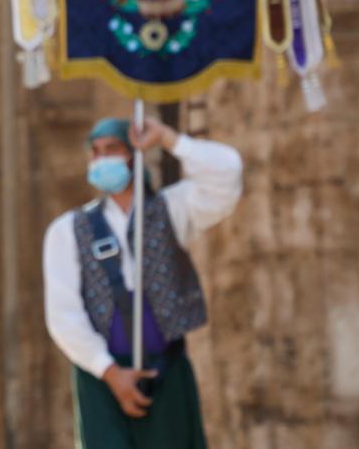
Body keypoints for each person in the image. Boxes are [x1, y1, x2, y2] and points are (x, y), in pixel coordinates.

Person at [43, 116, 243, 448]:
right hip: (101, 380)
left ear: (133, 154)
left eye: (112, 148)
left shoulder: (173, 209)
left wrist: (168, 139)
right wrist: (109, 372)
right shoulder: (66, 231)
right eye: (95, 151)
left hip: (167, 373)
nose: (102, 158)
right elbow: (63, 316)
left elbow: (228, 174)